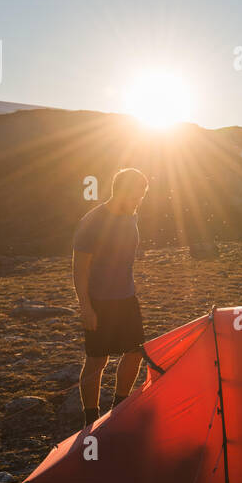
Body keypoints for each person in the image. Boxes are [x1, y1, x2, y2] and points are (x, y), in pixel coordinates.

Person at [72, 167, 149, 428]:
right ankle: (90, 419)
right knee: (97, 360)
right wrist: (85, 306)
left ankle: (119, 407)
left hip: (126, 298)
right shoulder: (93, 222)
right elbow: (79, 268)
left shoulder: (131, 216)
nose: (140, 200)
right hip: (99, 301)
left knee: (135, 351)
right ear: (123, 192)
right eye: (138, 195)